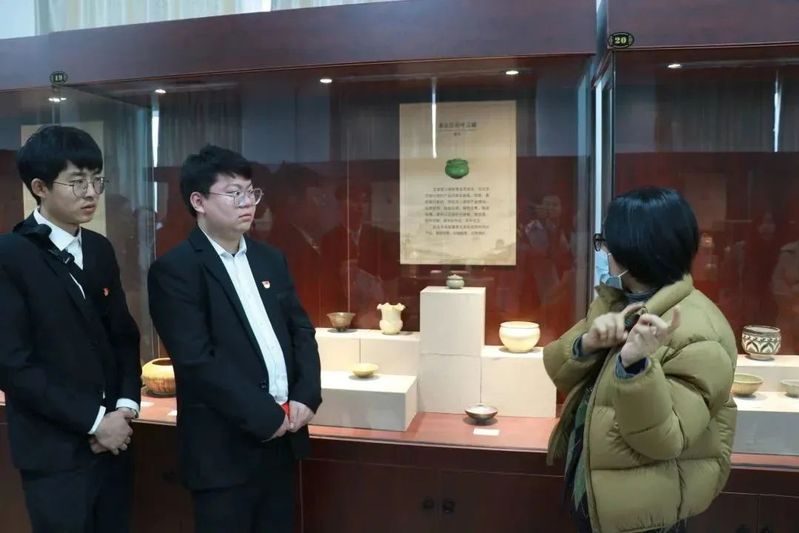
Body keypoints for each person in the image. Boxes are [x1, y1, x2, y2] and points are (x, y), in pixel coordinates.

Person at [148, 145, 322, 533]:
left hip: (284, 438)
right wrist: (267, 417)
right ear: (199, 202)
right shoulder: (176, 270)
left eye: (251, 192)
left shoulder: (270, 259)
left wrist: (307, 395)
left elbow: (301, 330)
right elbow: (197, 360)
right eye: (234, 193)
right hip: (223, 451)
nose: (248, 203)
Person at [544, 187, 737, 533]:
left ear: (633, 252)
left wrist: (635, 367)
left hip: (644, 518)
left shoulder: (698, 331)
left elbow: (664, 438)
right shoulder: (620, 301)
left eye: (606, 243)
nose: (604, 252)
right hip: (602, 498)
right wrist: (587, 344)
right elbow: (556, 369)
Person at [0, 125, 141, 532]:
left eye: (97, 179)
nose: (91, 193)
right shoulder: (11, 255)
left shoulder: (99, 248)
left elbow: (123, 335)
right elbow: (14, 365)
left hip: (115, 441)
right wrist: (95, 421)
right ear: (40, 187)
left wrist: (125, 407)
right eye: (77, 182)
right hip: (54, 451)